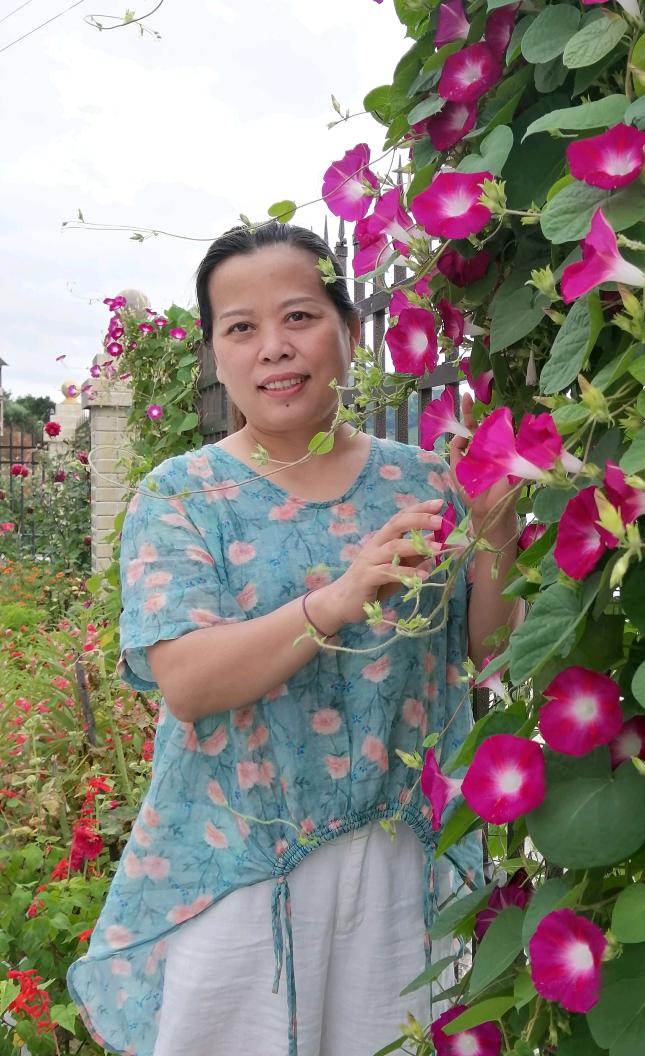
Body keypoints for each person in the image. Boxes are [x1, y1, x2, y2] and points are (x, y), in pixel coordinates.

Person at [67, 223, 521, 1056]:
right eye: (241, 327)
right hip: (240, 876)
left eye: (300, 317)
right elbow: (187, 680)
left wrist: (495, 532)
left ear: (348, 330)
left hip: (402, 865)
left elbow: (483, 651)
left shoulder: (422, 481)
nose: (274, 347)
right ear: (216, 353)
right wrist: (337, 600)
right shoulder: (182, 496)